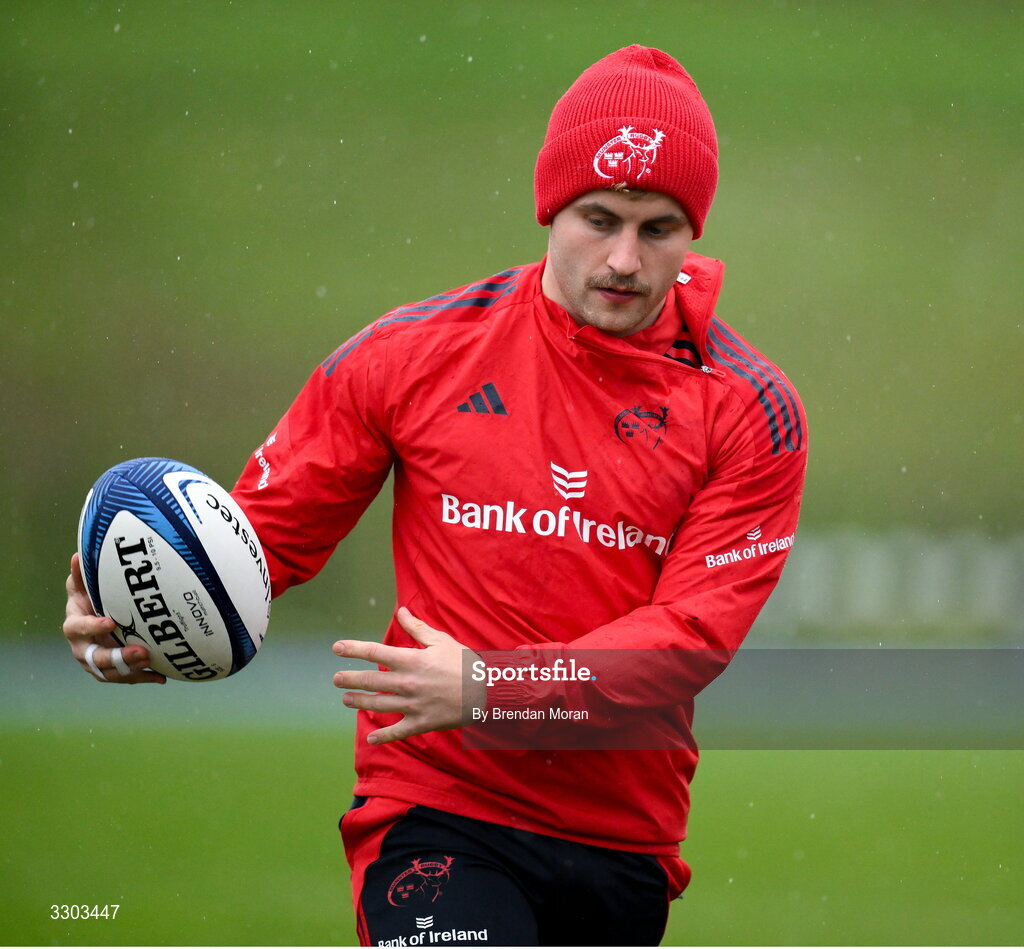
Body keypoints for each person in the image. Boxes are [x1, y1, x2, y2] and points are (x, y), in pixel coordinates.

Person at [63, 45, 807, 946]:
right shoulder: (411, 354)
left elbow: (688, 641)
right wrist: (139, 616)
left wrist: (493, 687)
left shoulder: (751, 409)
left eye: (657, 228)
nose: (622, 257)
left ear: (694, 233)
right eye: (597, 217)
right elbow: (260, 539)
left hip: (622, 835)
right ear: (549, 209)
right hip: (434, 806)